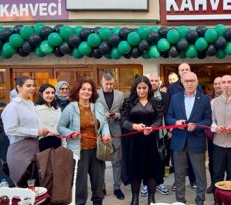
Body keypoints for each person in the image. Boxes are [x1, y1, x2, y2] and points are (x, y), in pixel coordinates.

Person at [57, 78, 110, 205]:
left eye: (89, 89)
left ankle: (98, 202)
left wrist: (106, 133)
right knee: (80, 184)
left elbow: (104, 123)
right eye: (83, 89)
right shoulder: (71, 108)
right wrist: (70, 134)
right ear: (78, 91)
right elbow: (60, 127)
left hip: (97, 149)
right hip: (78, 151)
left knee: (98, 182)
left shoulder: (97, 106)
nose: (86, 92)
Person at [166, 72, 211, 205]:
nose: (190, 83)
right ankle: (180, 201)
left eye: (192, 81)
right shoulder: (175, 98)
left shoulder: (203, 99)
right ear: (182, 82)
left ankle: (200, 200)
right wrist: (175, 123)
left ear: (197, 82)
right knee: (179, 174)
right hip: (179, 141)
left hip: (196, 140)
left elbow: (208, 120)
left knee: (200, 174)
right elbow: (168, 116)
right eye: (187, 81)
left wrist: (196, 127)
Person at [120, 76, 164, 205]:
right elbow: (123, 121)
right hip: (134, 142)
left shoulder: (155, 101)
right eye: (139, 88)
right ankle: (135, 199)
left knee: (151, 170)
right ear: (135, 88)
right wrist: (134, 126)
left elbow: (159, 120)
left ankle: (151, 199)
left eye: (144, 88)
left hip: (150, 141)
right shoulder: (128, 101)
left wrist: (152, 128)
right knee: (135, 171)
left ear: (149, 88)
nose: (142, 90)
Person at [1, 76, 49, 183]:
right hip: (20, 150)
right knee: (23, 189)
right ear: (19, 87)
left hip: (35, 148)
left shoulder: (30, 104)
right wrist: (36, 132)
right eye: (28, 86)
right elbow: (10, 129)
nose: (32, 88)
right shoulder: (12, 107)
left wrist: (42, 131)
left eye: (33, 85)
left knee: (35, 188)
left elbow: (35, 125)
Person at [168, 62, 202, 190]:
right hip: (178, 134)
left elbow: (203, 113)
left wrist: (197, 125)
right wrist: (173, 125)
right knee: (179, 165)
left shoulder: (199, 91)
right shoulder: (172, 89)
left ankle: (193, 181)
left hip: (194, 135)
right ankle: (178, 185)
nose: (184, 71)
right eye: (182, 70)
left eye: (187, 69)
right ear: (179, 74)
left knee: (195, 163)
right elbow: (169, 113)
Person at [139, 74, 170, 196]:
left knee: (161, 158)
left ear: (160, 83)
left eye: (156, 80)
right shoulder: (143, 96)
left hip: (162, 133)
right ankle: (146, 184)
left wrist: (169, 131)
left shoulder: (166, 96)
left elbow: (168, 113)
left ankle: (160, 182)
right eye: (151, 80)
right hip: (147, 133)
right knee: (147, 159)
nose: (153, 83)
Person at [96, 71, 125, 200]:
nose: (109, 87)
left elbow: (125, 112)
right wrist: (102, 116)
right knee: (100, 161)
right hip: (100, 132)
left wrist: (118, 115)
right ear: (102, 83)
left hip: (116, 131)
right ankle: (101, 187)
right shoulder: (95, 94)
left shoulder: (120, 95)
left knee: (116, 161)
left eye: (111, 84)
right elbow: (91, 111)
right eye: (106, 84)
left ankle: (117, 187)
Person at [205, 76, 222, 194]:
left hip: (227, 134)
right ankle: (214, 183)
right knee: (212, 160)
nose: (217, 86)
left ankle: (224, 183)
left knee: (224, 161)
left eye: (219, 83)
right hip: (212, 135)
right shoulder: (208, 98)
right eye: (215, 84)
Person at [35, 83, 62, 151]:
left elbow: (61, 127)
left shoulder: (57, 109)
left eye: (53, 93)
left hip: (58, 141)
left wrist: (64, 144)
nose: (50, 95)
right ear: (41, 94)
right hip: (42, 142)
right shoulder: (36, 109)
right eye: (47, 93)